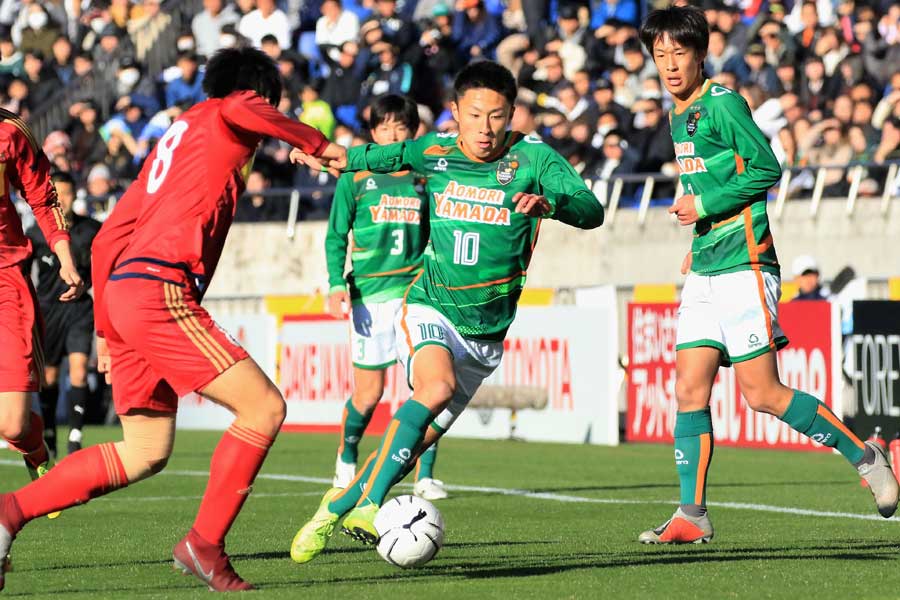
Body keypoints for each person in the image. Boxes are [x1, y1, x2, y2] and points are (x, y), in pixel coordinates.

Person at [0, 47, 346, 593]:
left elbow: (112, 233)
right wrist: (322, 145)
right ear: (254, 97)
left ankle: (8, 514)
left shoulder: (178, 135)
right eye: (265, 109)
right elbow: (243, 110)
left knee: (145, 450)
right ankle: (204, 545)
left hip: (127, 293)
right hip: (161, 288)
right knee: (264, 408)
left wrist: (110, 331)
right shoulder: (224, 115)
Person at [289, 60, 604, 563]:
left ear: (512, 114)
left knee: (412, 443)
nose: (484, 127)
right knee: (432, 389)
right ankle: (368, 503)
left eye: (497, 116)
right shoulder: (434, 151)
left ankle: (336, 506)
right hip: (429, 305)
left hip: (487, 332)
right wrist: (325, 155)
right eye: (474, 114)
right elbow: (374, 155)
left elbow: (592, 210)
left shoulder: (534, 158)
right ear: (455, 112)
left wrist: (550, 204)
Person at [635, 6, 898, 545]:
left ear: (701, 53)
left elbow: (766, 168)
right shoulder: (675, 113)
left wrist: (703, 203)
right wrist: (695, 239)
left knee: (761, 394)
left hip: (745, 264)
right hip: (706, 265)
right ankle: (692, 513)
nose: (669, 65)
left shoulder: (724, 103)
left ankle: (865, 455)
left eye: (678, 53)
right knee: (688, 387)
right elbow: (707, 184)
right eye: (660, 55)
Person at [325, 94, 447, 501]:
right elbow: (336, 235)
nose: (392, 134)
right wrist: (335, 284)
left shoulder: (423, 174)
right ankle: (347, 454)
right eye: (384, 127)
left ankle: (425, 475)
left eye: (401, 127)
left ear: (412, 132)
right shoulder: (354, 177)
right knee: (369, 394)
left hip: (416, 292)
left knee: (428, 387)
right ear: (373, 132)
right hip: (369, 295)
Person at [0, 107, 84, 543]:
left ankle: (36, 452)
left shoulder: (11, 132)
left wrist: (65, 256)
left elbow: (43, 197)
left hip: (5, 281)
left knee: (13, 425)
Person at [26, 172, 101, 459]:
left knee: (80, 369)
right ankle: (49, 435)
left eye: (67, 194)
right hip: (48, 309)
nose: (63, 201)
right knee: (50, 376)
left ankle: (75, 437)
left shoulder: (92, 230)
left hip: (80, 308)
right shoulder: (36, 232)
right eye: (57, 195)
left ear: (75, 196)